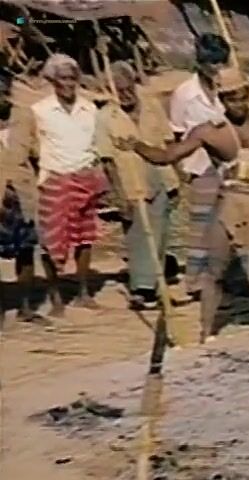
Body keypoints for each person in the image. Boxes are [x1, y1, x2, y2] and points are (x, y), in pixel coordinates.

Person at [118, 67, 249, 342]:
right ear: (222, 100)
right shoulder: (209, 132)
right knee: (215, 271)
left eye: (241, 97)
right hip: (230, 203)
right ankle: (207, 332)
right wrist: (137, 146)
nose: (237, 104)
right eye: (230, 99)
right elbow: (167, 156)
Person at [169, 33, 249, 297]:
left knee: (240, 223)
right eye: (212, 63)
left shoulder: (238, 83)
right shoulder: (184, 94)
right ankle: (196, 282)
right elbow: (177, 132)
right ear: (200, 63)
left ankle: (238, 279)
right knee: (203, 226)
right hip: (201, 167)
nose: (217, 68)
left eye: (222, 62)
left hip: (236, 165)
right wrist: (182, 170)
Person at [95, 61, 181, 309]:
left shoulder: (151, 105)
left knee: (161, 232)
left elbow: (168, 143)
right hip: (130, 178)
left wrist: (176, 178)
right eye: (119, 90)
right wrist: (119, 196)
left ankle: (158, 284)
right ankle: (142, 289)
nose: (125, 94)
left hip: (160, 174)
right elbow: (107, 160)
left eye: (128, 88)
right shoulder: (106, 116)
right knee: (138, 234)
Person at [28, 54, 108, 315]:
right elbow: (32, 147)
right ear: (53, 81)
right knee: (52, 240)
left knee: (85, 238)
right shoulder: (39, 111)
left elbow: (97, 144)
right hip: (56, 178)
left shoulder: (89, 109)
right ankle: (56, 297)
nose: (69, 84)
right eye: (63, 78)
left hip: (85, 176)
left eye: (73, 78)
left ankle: (83, 292)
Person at [0, 70, 46, 325]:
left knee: (26, 250)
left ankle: (25, 306)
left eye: (3, 93)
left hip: (22, 193)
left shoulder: (25, 116)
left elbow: (39, 152)